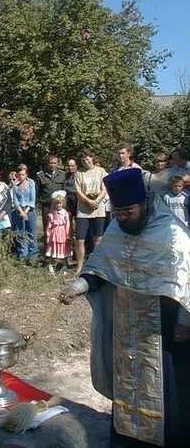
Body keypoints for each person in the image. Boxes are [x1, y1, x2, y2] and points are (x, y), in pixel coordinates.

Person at [59, 168, 190, 447]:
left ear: (144, 203)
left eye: (127, 212)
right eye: (117, 212)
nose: (121, 218)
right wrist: (76, 288)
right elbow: (100, 268)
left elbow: (188, 282)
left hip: (163, 331)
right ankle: (127, 440)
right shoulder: (118, 227)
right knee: (127, 385)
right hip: (126, 329)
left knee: (168, 391)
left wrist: (184, 322)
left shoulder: (173, 234)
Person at [74, 150, 107, 275]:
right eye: (83, 161)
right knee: (80, 239)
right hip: (83, 209)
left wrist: (96, 201)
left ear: (92, 158)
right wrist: (88, 201)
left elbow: (104, 188)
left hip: (98, 208)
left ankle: (97, 265)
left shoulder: (101, 171)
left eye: (87, 159)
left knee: (98, 238)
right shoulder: (79, 173)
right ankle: (80, 266)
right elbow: (78, 191)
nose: (86, 162)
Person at [36, 156, 66, 250]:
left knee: (60, 229)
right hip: (47, 207)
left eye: (54, 163)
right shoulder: (40, 175)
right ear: (47, 164)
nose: (52, 165)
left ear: (57, 164)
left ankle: (60, 251)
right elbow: (37, 192)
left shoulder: (62, 175)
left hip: (60, 207)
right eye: (50, 163)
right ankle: (48, 252)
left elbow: (65, 191)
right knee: (47, 230)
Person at [12, 164, 38, 263]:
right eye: (19, 175)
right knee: (21, 234)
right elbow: (16, 201)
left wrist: (26, 212)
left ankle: (33, 257)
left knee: (32, 233)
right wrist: (21, 212)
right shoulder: (15, 186)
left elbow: (32, 199)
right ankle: (23, 255)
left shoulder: (31, 183)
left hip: (30, 211)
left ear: (26, 174)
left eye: (23, 174)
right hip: (19, 211)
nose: (21, 177)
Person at [45, 193, 72, 274]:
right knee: (52, 249)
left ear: (63, 203)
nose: (58, 205)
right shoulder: (52, 214)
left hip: (62, 234)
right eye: (56, 203)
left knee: (63, 249)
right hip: (54, 234)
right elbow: (49, 225)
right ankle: (50, 265)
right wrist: (48, 233)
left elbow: (68, 225)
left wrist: (68, 235)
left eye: (60, 203)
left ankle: (65, 266)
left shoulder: (66, 214)